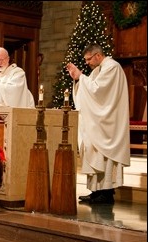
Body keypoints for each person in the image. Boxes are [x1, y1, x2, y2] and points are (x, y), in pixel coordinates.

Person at [66, 43, 130, 204]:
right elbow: (89, 90)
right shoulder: (98, 70)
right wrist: (78, 79)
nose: (87, 63)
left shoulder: (112, 67)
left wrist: (81, 76)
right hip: (98, 121)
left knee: (105, 157)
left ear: (98, 55)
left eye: (88, 59)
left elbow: (98, 91)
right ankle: (96, 191)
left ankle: (107, 193)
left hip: (108, 122)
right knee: (94, 153)